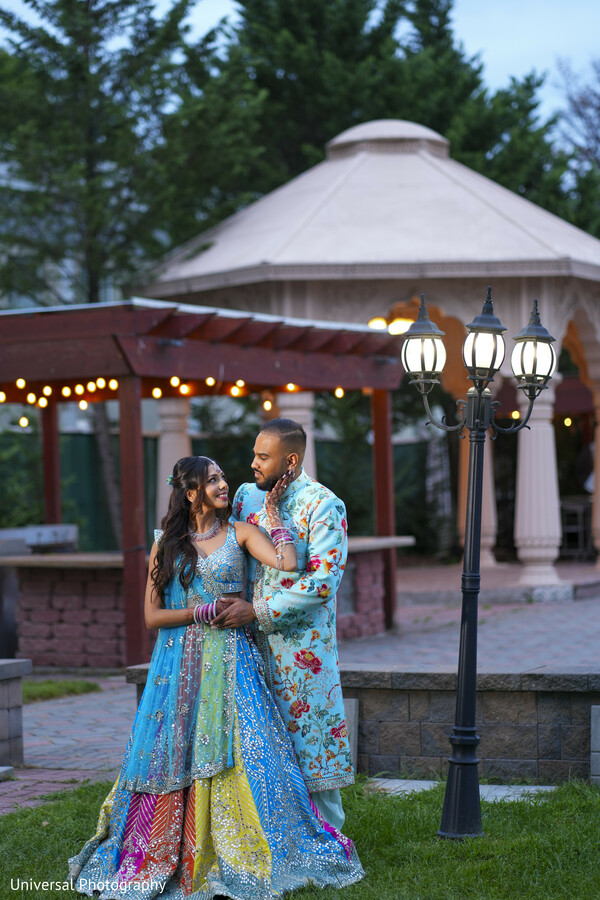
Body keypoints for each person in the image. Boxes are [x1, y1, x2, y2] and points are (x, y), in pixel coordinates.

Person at [69, 456, 363, 899]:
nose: (225, 485)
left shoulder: (241, 532)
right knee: (175, 750)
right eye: (212, 480)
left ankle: (243, 846)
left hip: (233, 659)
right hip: (178, 666)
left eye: (223, 477)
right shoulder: (165, 545)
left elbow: (287, 561)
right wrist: (197, 612)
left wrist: (277, 515)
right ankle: (168, 845)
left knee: (250, 750)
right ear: (190, 493)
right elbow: (151, 616)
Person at [216, 419, 353, 833]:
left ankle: (329, 843)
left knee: (309, 743)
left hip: (302, 653)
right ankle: (266, 838)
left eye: (263, 456)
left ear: (290, 460)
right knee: (253, 745)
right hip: (244, 644)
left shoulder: (324, 505)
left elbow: (322, 582)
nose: (252, 463)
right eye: (254, 454)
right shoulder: (243, 498)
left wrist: (256, 610)